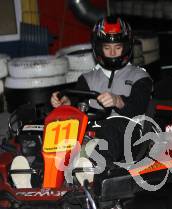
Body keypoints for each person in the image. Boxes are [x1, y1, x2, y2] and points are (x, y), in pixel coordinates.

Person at [49, 16, 153, 182]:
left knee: (112, 126)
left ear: (126, 47)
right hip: (94, 132)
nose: (112, 53)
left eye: (117, 47)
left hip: (130, 136)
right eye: (107, 47)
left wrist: (117, 100)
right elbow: (77, 101)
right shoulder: (87, 78)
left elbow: (139, 107)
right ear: (98, 48)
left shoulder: (140, 76)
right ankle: (40, 172)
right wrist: (66, 103)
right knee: (57, 127)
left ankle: (94, 170)